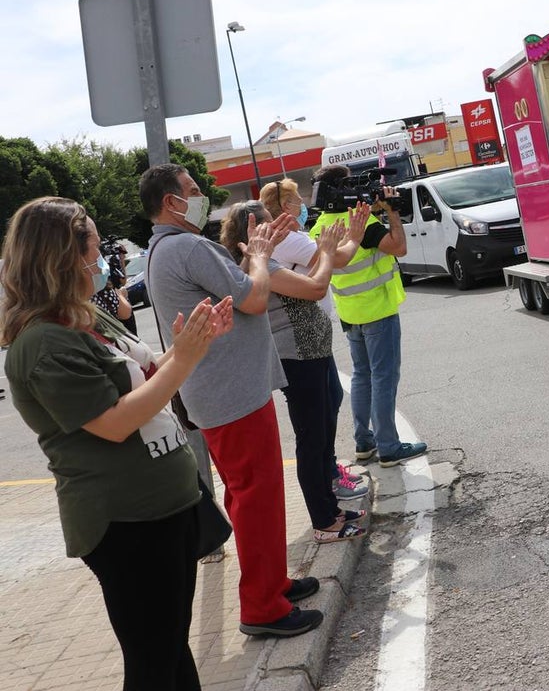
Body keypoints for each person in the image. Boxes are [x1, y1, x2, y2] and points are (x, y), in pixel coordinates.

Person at [1, 196, 227, 690]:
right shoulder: (43, 343)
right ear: (63, 257)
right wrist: (186, 360)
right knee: (153, 664)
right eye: (96, 249)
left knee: (171, 653)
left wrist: (192, 344)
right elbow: (113, 423)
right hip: (127, 524)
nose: (104, 260)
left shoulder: (83, 316)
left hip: (165, 510)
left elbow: (147, 374)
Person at [139, 163, 323, 638]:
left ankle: (273, 584)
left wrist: (258, 256)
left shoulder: (167, 248)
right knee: (257, 499)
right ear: (171, 202)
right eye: (192, 190)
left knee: (251, 496)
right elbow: (255, 299)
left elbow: (237, 292)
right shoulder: (187, 246)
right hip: (232, 395)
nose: (201, 196)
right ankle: (263, 607)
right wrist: (260, 255)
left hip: (224, 393)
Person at [219, 201, 368, 543]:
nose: (278, 231)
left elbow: (322, 271)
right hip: (298, 358)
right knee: (312, 438)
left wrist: (348, 240)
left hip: (312, 354)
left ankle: (331, 509)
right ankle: (324, 521)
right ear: (252, 231)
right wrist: (327, 251)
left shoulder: (266, 262)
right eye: (269, 225)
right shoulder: (265, 268)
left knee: (323, 429)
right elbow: (316, 288)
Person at [310, 164, 427, 467]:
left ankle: (364, 441)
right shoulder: (361, 224)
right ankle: (389, 446)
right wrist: (392, 212)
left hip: (350, 312)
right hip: (378, 310)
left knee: (362, 376)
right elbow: (398, 247)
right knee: (384, 377)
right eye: (351, 184)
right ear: (341, 188)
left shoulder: (320, 225)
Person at [259, 178, 369, 498]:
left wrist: (337, 243)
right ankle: (327, 483)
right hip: (301, 343)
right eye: (297, 200)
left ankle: (329, 472)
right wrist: (354, 237)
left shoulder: (293, 237)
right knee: (315, 421)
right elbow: (335, 261)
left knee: (328, 402)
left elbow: (327, 256)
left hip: (312, 338)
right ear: (284, 207)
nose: (303, 205)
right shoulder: (289, 240)